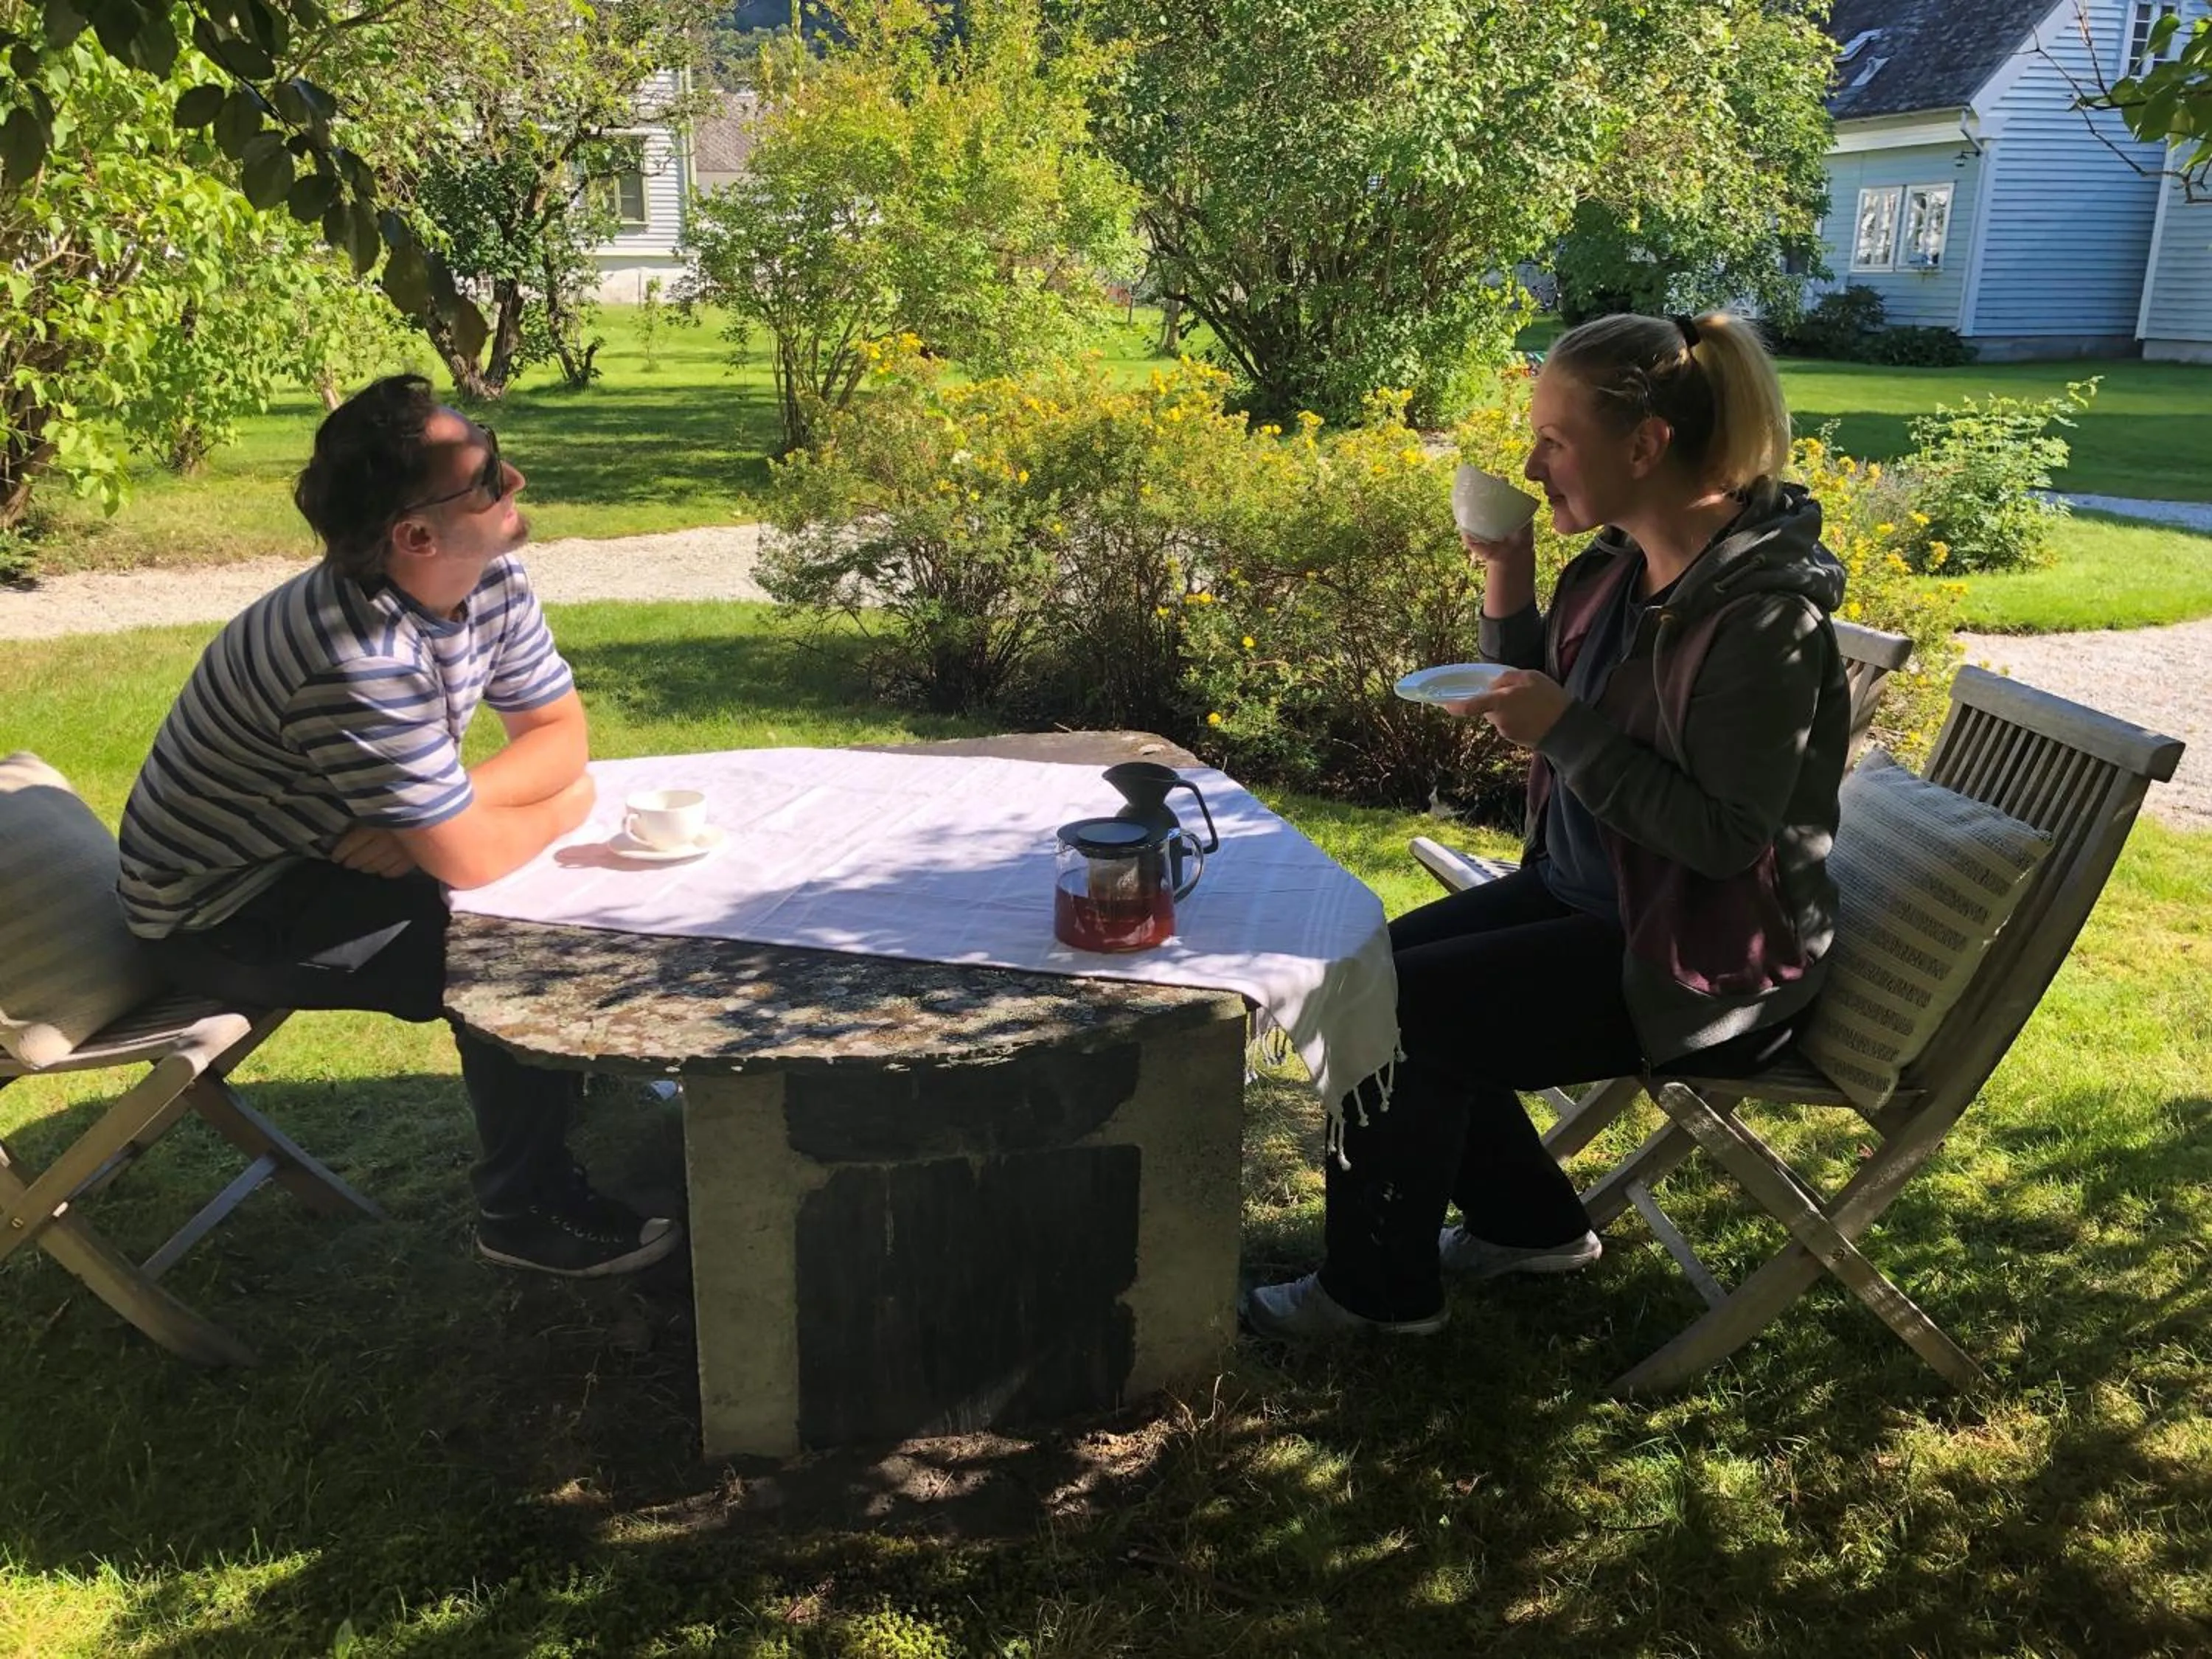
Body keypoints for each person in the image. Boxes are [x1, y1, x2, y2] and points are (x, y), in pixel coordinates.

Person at [1247, 311, 1850, 1338]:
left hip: (1691, 952)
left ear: (1646, 445)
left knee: (1404, 1015)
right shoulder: (1626, 566)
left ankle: (1375, 1295)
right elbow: (1545, 684)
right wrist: (1508, 574)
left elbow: (1723, 841)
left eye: (1555, 440)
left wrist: (1566, 731)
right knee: (1357, 973)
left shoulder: (1758, 620)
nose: (1530, 460)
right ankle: (1531, 1226)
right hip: (1591, 895)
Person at [116, 374, 681, 1279]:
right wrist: (541, 808)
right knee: (513, 944)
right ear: (415, 535)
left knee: (555, 883)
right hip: (226, 913)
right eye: (488, 475)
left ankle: (562, 1091)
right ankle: (523, 1209)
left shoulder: (487, 570)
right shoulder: (356, 657)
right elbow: (487, 851)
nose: (517, 482)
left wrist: (457, 806)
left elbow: (560, 735)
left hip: (312, 855)